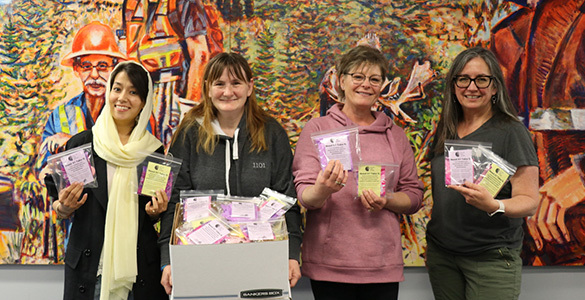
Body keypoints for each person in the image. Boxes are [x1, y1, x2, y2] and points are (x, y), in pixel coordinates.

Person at [158, 52, 303, 294]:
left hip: (262, 259)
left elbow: (287, 199)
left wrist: (291, 254)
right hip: (200, 260)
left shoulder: (272, 133)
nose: (228, 92)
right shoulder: (189, 133)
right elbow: (174, 200)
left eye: (236, 83)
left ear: (249, 87)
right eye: (219, 84)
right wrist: (169, 258)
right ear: (207, 88)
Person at [292, 45, 424, 300]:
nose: (366, 85)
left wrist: (388, 200)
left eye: (374, 79)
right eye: (358, 77)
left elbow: (414, 195)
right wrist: (323, 189)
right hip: (329, 265)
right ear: (342, 81)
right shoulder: (317, 128)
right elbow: (305, 197)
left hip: (382, 265)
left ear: (382, 86)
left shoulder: (395, 135)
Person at [45, 61, 169, 300]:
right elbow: (58, 204)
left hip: (138, 272)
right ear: (109, 92)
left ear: (144, 102)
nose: (123, 98)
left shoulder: (153, 151)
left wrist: (155, 213)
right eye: (117, 88)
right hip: (90, 268)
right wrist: (64, 207)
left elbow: (151, 215)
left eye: (133, 92)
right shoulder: (81, 144)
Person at [425, 47, 539, 300]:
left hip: (491, 256)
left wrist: (494, 204)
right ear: (454, 86)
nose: (472, 87)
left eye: (482, 79)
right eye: (463, 79)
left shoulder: (511, 131)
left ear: (495, 87)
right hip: (443, 255)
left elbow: (530, 202)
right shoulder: (446, 128)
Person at [41, 21, 126, 159]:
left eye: (102, 66)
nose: (94, 75)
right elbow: (44, 166)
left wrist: (73, 142)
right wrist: (47, 172)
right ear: (76, 69)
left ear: (114, 68)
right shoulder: (60, 114)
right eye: (86, 66)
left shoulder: (129, 109)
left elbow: (136, 156)